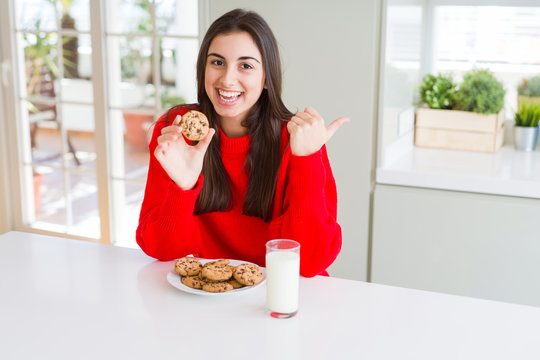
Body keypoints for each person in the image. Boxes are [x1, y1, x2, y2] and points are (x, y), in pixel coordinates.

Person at [136, 8, 349, 277]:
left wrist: (306, 159)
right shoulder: (177, 130)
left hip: (279, 295)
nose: (227, 79)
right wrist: (184, 186)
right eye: (217, 62)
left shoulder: (298, 139)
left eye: (246, 66)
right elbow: (159, 248)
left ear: (267, 79)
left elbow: (308, 264)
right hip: (209, 296)